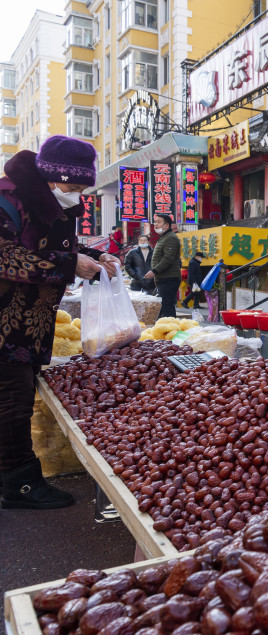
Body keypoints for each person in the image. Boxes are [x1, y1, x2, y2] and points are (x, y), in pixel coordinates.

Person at [0, 135, 119, 509]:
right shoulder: (9, 199)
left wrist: (94, 255)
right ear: (52, 176)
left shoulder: (56, 204)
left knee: (15, 398)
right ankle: (20, 485)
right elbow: (9, 258)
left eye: (83, 187)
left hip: (30, 324)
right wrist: (70, 266)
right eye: (73, 185)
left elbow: (57, 247)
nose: (77, 193)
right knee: (12, 402)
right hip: (5, 323)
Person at [145, 213, 181, 319]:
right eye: (155, 222)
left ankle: (171, 330)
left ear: (166, 225)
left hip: (169, 278)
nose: (155, 224)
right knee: (163, 306)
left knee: (167, 306)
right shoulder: (164, 237)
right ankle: (165, 330)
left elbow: (168, 259)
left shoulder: (171, 238)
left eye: (159, 222)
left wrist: (154, 271)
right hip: (163, 278)